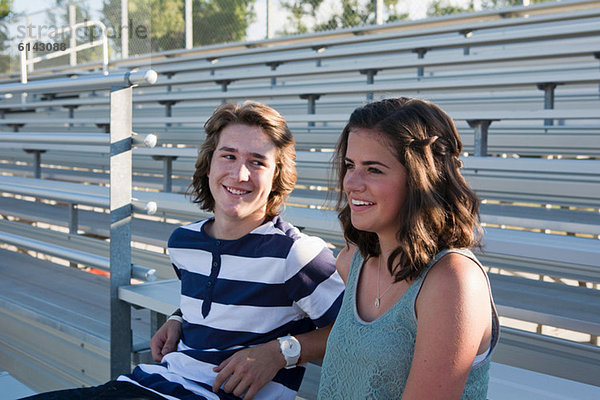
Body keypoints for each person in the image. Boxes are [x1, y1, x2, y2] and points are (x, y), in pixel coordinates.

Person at [23, 101, 344, 400]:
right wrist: (178, 318)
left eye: (257, 162)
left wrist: (278, 353)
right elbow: (217, 298)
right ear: (209, 164)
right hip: (147, 384)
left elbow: (354, 332)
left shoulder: (297, 253)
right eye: (228, 156)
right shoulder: (184, 241)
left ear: (277, 176)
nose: (239, 173)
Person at [318, 97, 499, 399]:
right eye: (350, 165)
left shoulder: (453, 281)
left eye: (374, 169)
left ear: (420, 180)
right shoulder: (352, 261)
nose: (352, 182)